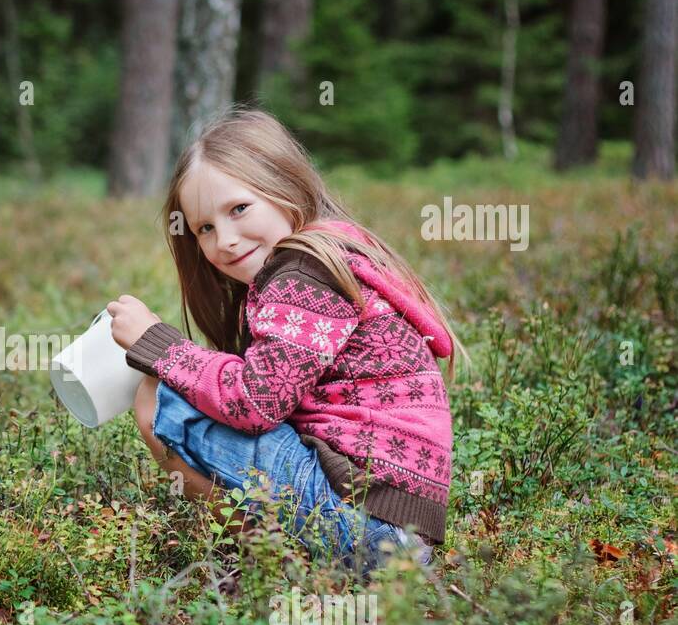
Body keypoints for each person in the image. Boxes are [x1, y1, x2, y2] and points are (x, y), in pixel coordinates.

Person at [107, 107, 470, 575]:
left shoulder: (304, 273)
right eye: (205, 228)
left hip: (368, 529)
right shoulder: (333, 255)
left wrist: (159, 347)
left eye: (239, 209)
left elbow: (256, 402)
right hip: (393, 527)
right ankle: (281, 557)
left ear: (285, 185)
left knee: (160, 399)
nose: (226, 240)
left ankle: (270, 557)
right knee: (190, 384)